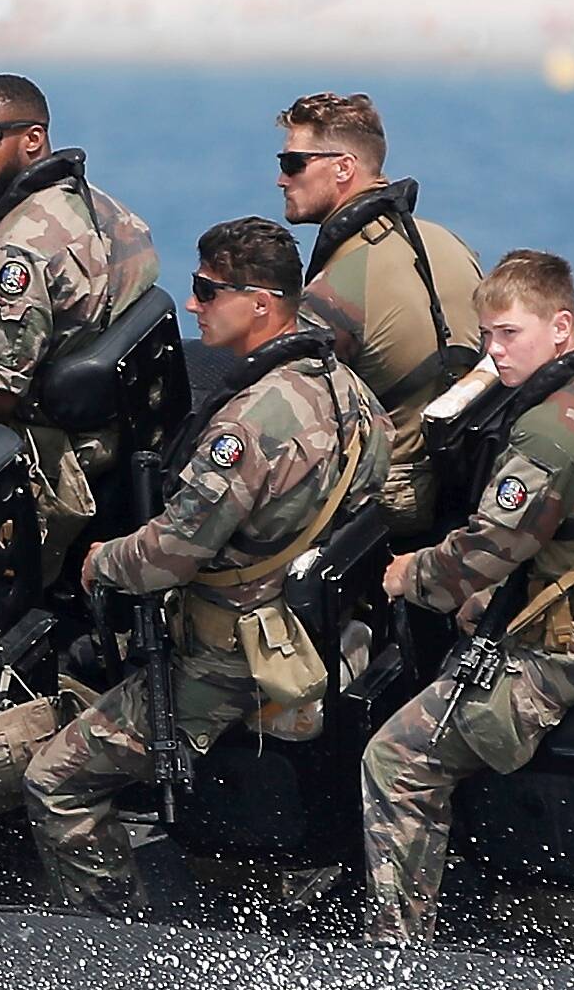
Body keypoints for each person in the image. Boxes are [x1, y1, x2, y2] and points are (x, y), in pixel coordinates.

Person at [21, 218, 387, 916]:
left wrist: (102, 561)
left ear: (259, 303)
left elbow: (169, 553)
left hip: (228, 660)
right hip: (310, 630)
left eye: (205, 290)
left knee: (54, 779)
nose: (192, 305)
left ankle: (114, 937)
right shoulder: (350, 394)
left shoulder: (247, 425)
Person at [357, 249, 574, 944]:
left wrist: (405, 572)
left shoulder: (550, 429)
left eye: (509, 333)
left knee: (392, 758)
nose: (494, 352)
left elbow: (478, 555)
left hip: (567, 650)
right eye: (486, 336)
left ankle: (396, 946)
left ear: (560, 327)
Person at [0, 71, 158, 554]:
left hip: (66, 453)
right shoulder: (102, 207)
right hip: (130, 425)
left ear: (33, 139)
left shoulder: (20, 249)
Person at [277, 89, 488, 533]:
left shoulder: (335, 289)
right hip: (468, 480)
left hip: (395, 503)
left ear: (343, 168)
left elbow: (286, 416)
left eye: (293, 163)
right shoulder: (450, 245)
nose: (282, 179)